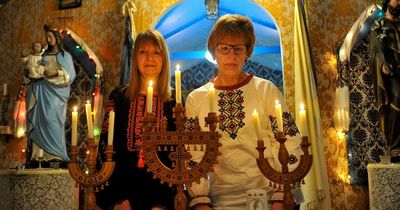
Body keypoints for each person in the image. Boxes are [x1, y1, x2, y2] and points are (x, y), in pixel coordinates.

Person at [185, 14, 304, 210]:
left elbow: (288, 142)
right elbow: (193, 153)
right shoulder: (195, 99)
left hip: (269, 198)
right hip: (217, 202)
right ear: (214, 52)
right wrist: (200, 200)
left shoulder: (266, 90)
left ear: (247, 52)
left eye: (238, 48)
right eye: (224, 48)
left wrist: (280, 196)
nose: (231, 55)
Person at [96, 29, 176, 210]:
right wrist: (116, 199)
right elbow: (106, 148)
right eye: (143, 52)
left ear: (164, 59)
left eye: (156, 52)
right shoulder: (118, 98)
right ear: (135, 59)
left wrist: (163, 203)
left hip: (163, 198)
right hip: (123, 197)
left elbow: (178, 158)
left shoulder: (176, 103)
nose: (150, 58)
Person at [25, 24, 76, 163]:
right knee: (38, 120)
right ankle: (38, 155)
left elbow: (70, 75)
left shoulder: (64, 56)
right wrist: (30, 73)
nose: (48, 39)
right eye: (46, 37)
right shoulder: (42, 55)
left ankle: (55, 155)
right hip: (40, 90)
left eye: (50, 36)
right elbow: (33, 69)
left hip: (55, 94)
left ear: (57, 38)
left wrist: (56, 72)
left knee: (51, 120)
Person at [369, 0, 400, 160]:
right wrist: (382, 65)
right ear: (388, 2)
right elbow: (375, 50)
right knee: (397, 100)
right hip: (391, 73)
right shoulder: (378, 25)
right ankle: (394, 145)